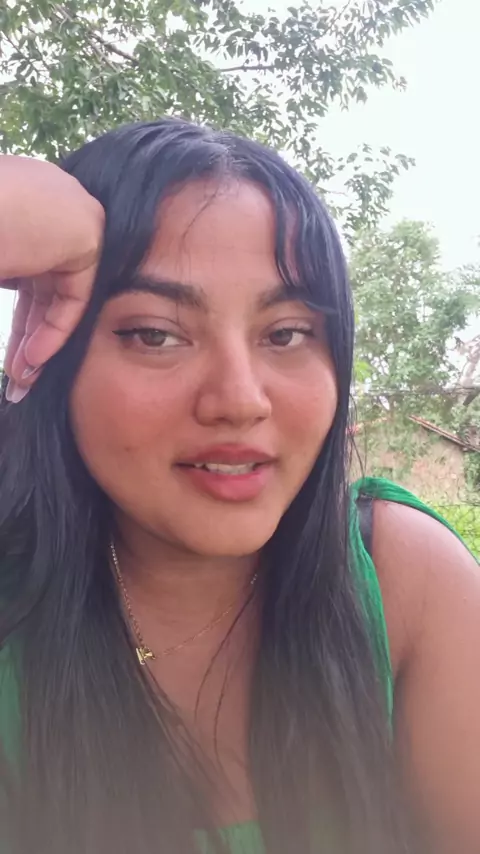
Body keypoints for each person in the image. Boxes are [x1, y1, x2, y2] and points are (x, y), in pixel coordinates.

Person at [0, 119, 479, 854]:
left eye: (286, 334)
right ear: (52, 358)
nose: (240, 400)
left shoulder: (403, 578)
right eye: (156, 333)